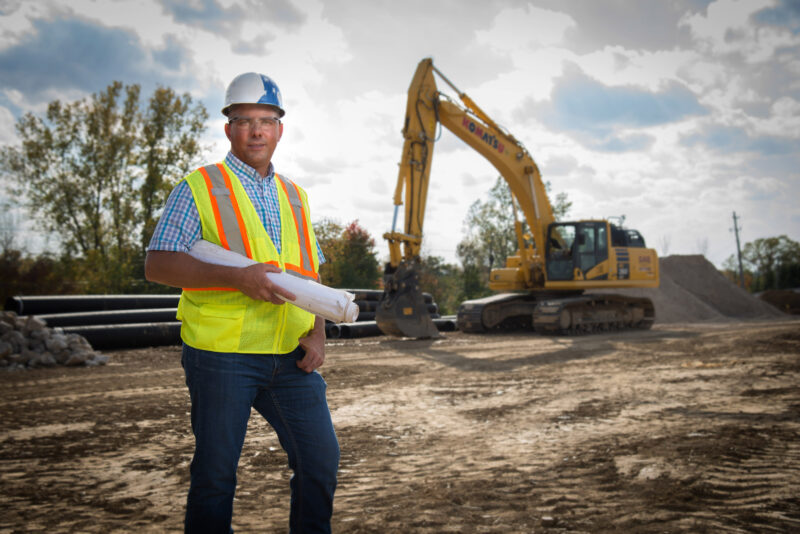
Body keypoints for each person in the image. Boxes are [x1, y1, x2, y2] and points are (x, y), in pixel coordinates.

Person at [145, 72, 339, 534]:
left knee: (320, 461)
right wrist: (237, 277)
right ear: (228, 128)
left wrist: (317, 332)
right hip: (223, 356)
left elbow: (310, 272)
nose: (257, 131)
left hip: (290, 358)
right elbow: (157, 264)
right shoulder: (199, 187)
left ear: (279, 130)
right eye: (245, 120)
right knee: (215, 476)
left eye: (266, 121)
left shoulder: (296, 196)